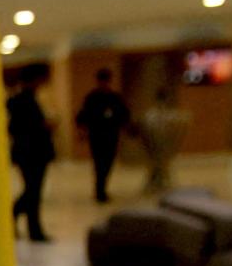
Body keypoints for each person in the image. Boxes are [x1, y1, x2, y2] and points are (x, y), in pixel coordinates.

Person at [6, 71, 56, 241]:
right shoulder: (23, 101)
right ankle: (25, 223)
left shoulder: (24, 100)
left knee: (32, 191)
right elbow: (20, 127)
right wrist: (43, 126)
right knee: (33, 192)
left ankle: (32, 227)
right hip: (31, 153)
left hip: (30, 152)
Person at [75, 69, 130, 203]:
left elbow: (124, 114)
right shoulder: (92, 98)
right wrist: (82, 130)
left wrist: (124, 127)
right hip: (96, 135)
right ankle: (100, 189)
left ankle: (102, 186)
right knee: (99, 162)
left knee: (108, 162)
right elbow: (83, 115)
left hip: (111, 134)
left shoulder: (115, 98)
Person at [139, 87, 192, 194]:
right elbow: (146, 127)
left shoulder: (165, 115)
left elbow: (183, 120)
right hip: (155, 145)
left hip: (163, 145)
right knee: (156, 166)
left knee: (163, 166)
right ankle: (155, 182)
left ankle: (160, 182)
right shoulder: (152, 115)